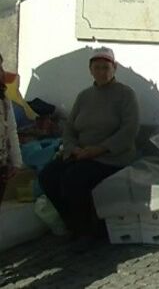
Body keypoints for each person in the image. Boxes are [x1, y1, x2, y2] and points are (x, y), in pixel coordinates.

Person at [39, 46, 139, 239]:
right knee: (48, 176)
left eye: (105, 68)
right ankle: (71, 223)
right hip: (81, 153)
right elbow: (69, 128)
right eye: (97, 68)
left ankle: (86, 231)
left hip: (110, 157)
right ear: (90, 70)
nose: (101, 72)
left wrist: (98, 149)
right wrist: (72, 148)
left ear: (114, 68)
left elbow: (129, 130)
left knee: (73, 180)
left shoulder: (126, 95)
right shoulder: (84, 96)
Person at [0, 53, 23, 208]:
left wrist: (16, 161)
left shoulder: (4, 99)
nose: (1, 72)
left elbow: (11, 130)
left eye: (0, 67)